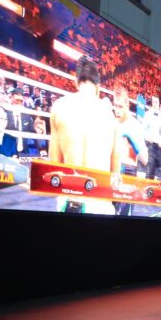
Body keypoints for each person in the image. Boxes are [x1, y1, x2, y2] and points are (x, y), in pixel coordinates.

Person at [49, 59, 119, 214]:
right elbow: (115, 172)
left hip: (69, 199)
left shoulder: (59, 107)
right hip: (99, 202)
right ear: (98, 86)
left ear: (76, 81)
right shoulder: (110, 115)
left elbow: (54, 165)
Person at [111, 87, 149, 216]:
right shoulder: (112, 122)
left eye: (120, 106)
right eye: (115, 106)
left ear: (127, 105)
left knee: (123, 219)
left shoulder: (135, 126)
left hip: (127, 171)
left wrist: (134, 143)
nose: (117, 110)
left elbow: (145, 159)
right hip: (111, 170)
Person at [143, 95, 161, 182]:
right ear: (151, 103)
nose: (155, 104)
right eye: (154, 102)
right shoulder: (147, 115)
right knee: (149, 173)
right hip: (150, 145)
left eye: (156, 102)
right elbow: (143, 130)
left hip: (160, 147)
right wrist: (148, 138)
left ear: (159, 103)